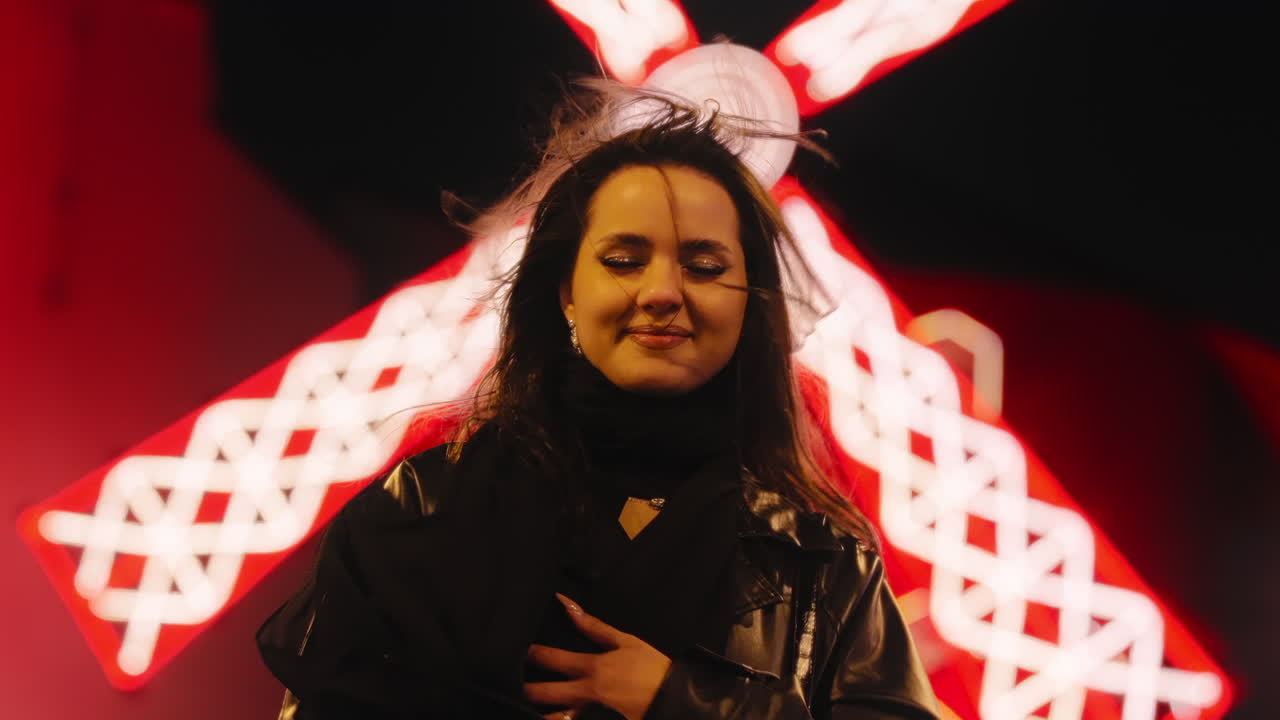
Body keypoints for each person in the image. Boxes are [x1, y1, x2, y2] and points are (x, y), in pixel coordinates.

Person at [257, 81, 940, 720]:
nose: (662, 292)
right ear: (566, 293)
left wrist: (683, 703)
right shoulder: (418, 512)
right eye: (623, 260)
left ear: (749, 304)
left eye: (704, 266)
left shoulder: (826, 565)